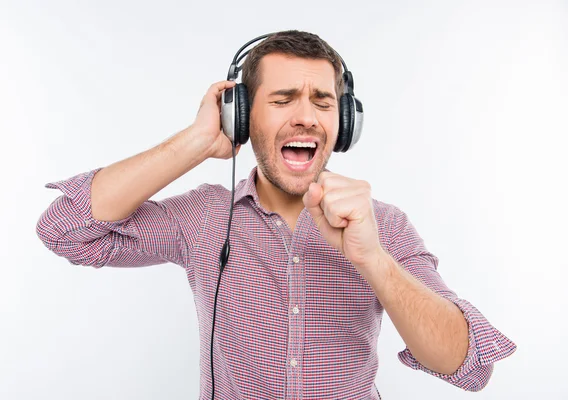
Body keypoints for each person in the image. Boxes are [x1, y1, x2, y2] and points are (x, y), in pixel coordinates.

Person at [36, 30, 516, 399]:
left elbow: (467, 365)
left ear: (344, 122)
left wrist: (374, 260)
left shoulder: (383, 225)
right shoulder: (205, 216)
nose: (305, 116)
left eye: (322, 102)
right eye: (283, 100)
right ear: (242, 117)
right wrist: (197, 142)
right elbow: (66, 231)